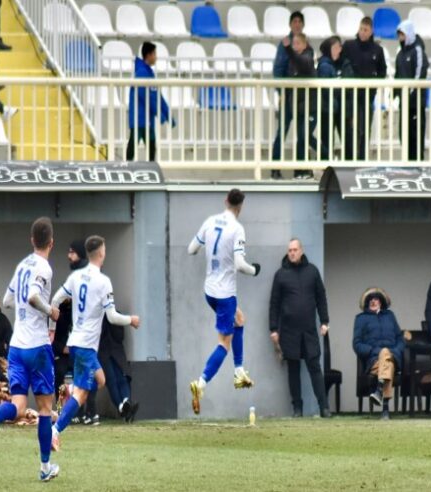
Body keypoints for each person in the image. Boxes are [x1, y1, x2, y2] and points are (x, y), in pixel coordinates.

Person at [0, 217, 61, 483]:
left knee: (19, 405)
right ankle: (45, 467)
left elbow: (9, 298)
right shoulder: (44, 267)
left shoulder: (22, 264)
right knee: (45, 408)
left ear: (32, 240)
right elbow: (34, 296)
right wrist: (50, 311)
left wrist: (23, 310)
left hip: (16, 347)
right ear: (51, 243)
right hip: (37, 346)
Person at [50, 235, 140, 448]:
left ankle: (70, 394)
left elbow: (54, 300)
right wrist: (132, 320)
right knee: (82, 394)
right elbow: (112, 317)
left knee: (100, 381)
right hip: (85, 347)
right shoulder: (103, 281)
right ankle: (55, 430)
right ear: (101, 253)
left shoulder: (76, 277)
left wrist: (52, 329)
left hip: (76, 344)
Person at [187, 189, 261, 414]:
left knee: (239, 319)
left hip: (209, 290)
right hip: (225, 294)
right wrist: (254, 270)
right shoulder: (237, 228)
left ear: (225, 201)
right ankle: (201, 384)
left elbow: (192, 249)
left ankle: (239, 371)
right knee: (224, 343)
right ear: (241, 207)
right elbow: (239, 264)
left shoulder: (210, 221)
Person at [269, 239, 331, 418]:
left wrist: (325, 321)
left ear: (301, 251)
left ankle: (324, 407)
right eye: (289, 250)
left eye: (295, 250)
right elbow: (274, 304)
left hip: (309, 331)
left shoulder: (312, 271)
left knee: (314, 367)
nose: (292, 253)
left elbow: (321, 297)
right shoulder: (281, 275)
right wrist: (273, 329)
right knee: (293, 369)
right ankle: (297, 409)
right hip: (289, 332)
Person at [352, 288, 404, 420]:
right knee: (387, 364)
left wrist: (396, 351)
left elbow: (400, 338)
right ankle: (385, 409)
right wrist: (374, 351)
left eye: (376, 299)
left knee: (387, 356)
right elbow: (357, 344)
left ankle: (379, 391)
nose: (374, 301)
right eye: (371, 299)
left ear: (381, 302)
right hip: (373, 361)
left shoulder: (390, 316)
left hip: (393, 356)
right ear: (367, 303)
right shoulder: (361, 319)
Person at [270, 11, 309, 179]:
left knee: (302, 133)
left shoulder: (306, 44)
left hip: (301, 98)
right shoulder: (284, 44)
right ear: (290, 24)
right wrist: (282, 91)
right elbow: (278, 69)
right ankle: (275, 167)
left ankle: (299, 168)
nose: (297, 24)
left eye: (300, 21)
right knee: (282, 132)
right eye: (295, 21)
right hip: (288, 96)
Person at [342, 16, 387, 161]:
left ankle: (361, 159)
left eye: (365, 30)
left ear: (371, 31)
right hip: (350, 94)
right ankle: (349, 159)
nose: (362, 32)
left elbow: (382, 71)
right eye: (361, 29)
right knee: (350, 129)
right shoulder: (349, 46)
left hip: (367, 95)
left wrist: (374, 86)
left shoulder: (377, 50)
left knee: (364, 128)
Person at [53, 239, 87, 402]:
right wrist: (63, 348)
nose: (68, 256)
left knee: (89, 374)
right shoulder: (64, 311)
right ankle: (61, 410)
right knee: (58, 373)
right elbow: (56, 337)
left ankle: (86, 413)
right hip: (64, 353)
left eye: (72, 252)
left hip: (82, 348)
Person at [127, 41, 171, 163]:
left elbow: (157, 96)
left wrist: (167, 114)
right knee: (133, 145)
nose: (156, 57)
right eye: (155, 54)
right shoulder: (141, 73)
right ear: (149, 55)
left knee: (151, 147)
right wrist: (159, 114)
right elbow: (145, 97)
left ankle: (152, 170)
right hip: (139, 119)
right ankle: (125, 169)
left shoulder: (149, 73)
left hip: (148, 120)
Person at [280, 32, 316, 177]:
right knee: (301, 138)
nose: (295, 47)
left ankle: (326, 157)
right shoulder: (292, 63)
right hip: (298, 107)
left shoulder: (307, 58)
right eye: (293, 44)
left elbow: (300, 61)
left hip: (310, 107)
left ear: (304, 44)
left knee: (305, 136)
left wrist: (288, 49)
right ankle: (300, 170)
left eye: (297, 44)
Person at [395, 20, 429, 162]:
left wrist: (409, 92)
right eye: (399, 35)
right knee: (404, 133)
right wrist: (396, 92)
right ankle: (407, 161)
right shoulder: (400, 53)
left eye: (402, 34)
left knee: (416, 134)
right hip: (404, 103)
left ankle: (417, 162)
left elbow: (420, 73)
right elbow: (398, 74)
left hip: (415, 103)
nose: (400, 38)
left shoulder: (418, 50)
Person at [317, 36, 353, 161]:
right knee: (327, 140)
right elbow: (326, 88)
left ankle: (350, 167)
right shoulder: (325, 66)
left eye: (340, 46)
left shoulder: (345, 62)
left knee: (348, 140)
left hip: (343, 108)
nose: (339, 49)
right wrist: (339, 85)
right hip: (328, 108)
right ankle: (325, 168)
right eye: (336, 47)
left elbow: (349, 82)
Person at [99, 312, 139, 422]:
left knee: (123, 377)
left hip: (117, 351)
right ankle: (123, 408)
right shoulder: (96, 317)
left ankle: (126, 403)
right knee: (111, 380)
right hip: (103, 353)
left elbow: (119, 336)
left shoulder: (119, 315)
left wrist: (113, 321)